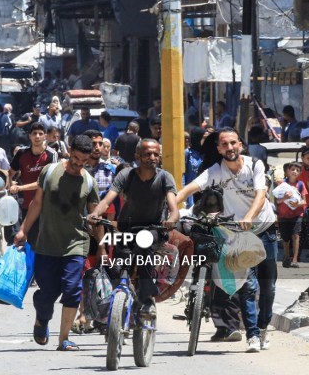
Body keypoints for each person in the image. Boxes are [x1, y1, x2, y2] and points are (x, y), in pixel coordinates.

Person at [174, 127, 277, 353]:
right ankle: (252, 335)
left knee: (268, 287)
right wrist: (172, 209)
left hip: (265, 230)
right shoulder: (215, 171)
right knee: (248, 285)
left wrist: (249, 217)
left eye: (233, 143)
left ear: (240, 144)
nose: (229, 148)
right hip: (238, 235)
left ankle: (263, 327)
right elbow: (189, 189)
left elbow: (261, 194)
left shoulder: (255, 165)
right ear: (219, 149)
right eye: (224, 145)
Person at [13, 135, 99, 351]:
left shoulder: (89, 181)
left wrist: (103, 245)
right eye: (77, 158)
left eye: (84, 161)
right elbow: (36, 203)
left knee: (72, 290)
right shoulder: (50, 171)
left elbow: (96, 216)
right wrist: (23, 229)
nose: (79, 164)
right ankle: (42, 319)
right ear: (70, 150)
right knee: (48, 294)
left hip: (76, 244)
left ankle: (64, 339)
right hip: (47, 244)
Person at [88, 138, 179, 314]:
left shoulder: (165, 177)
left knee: (144, 247)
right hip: (127, 228)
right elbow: (107, 200)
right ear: (138, 156)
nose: (152, 157)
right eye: (147, 154)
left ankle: (146, 299)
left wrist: (171, 220)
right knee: (118, 264)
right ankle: (116, 305)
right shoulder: (126, 175)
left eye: (155, 154)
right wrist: (95, 214)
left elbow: (173, 208)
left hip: (153, 228)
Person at [9, 122, 58, 244]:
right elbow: (10, 173)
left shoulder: (52, 154)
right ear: (29, 136)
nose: (37, 136)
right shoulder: (21, 153)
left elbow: (46, 182)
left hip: (46, 206)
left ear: (45, 136)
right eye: (34, 133)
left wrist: (19, 188)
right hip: (27, 205)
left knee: (46, 242)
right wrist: (10, 184)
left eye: (40, 134)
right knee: (29, 242)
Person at [277, 161, 307, 269]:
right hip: (283, 215)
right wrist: (285, 198)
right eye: (292, 169)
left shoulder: (300, 185)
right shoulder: (282, 185)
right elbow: (277, 201)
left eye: (297, 170)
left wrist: (297, 204)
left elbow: (304, 201)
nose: (295, 172)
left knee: (296, 235)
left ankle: (294, 259)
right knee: (285, 238)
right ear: (287, 171)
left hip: (297, 214)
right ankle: (286, 257)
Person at [298, 146, 309, 260]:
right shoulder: (306, 172)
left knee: (306, 232)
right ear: (303, 159)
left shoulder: (304, 171)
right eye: (308, 158)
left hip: (305, 205)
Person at [183, 127, 205, 208]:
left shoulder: (207, 154)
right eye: (204, 138)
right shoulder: (187, 154)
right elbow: (183, 176)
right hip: (190, 195)